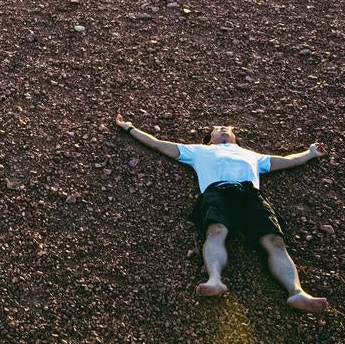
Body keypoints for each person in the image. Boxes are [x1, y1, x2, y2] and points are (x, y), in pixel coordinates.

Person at [114, 115, 330, 313]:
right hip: (217, 192)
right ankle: (215, 279)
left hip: (251, 195)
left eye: (227, 127)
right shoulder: (198, 150)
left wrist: (311, 153)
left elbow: (289, 160)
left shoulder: (252, 155)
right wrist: (129, 127)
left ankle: (297, 292)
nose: (223, 129)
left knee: (274, 240)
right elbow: (158, 144)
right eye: (218, 128)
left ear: (235, 137)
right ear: (210, 139)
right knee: (216, 231)